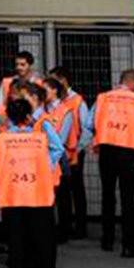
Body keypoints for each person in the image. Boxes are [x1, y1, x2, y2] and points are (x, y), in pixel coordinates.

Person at [0, 98, 62, 268]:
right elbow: (58, 149)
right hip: (39, 192)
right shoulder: (40, 138)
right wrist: (45, 167)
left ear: (9, 118)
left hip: (13, 193)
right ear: (29, 116)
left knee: (15, 239)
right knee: (45, 239)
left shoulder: (2, 138)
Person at [86, 69, 134, 258]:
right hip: (128, 152)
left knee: (108, 194)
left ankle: (107, 240)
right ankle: (128, 244)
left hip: (107, 151)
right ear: (133, 83)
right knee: (127, 198)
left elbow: (89, 122)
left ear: (121, 81)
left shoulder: (103, 98)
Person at [48, 67, 89, 240]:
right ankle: (65, 225)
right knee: (63, 190)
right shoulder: (51, 104)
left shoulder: (77, 100)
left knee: (77, 190)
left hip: (73, 151)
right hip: (60, 152)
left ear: (62, 81)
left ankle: (80, 227)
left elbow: (86, 128)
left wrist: (79, 149)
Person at [0, 51, 43, 120]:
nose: (19, 67)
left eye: (22, 65)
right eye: (17, 64)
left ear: (30, 66)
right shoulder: (7, 82)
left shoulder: (39, 83)